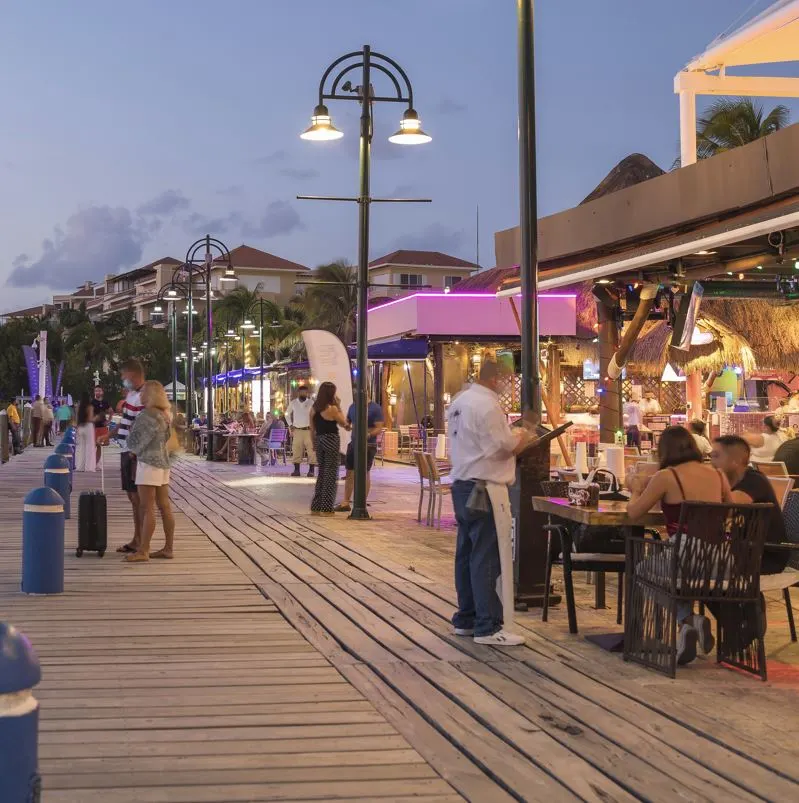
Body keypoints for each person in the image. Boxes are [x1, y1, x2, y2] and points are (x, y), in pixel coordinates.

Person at [627, 426, 733, 665]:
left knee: (643, 572)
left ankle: (688, 620)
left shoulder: (666, 476)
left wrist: (635, 490)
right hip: (720, 558)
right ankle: (689, 623)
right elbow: (732, 509)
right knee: (667, 574)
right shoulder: (717, 474)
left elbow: (634, 513)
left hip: (683, 554)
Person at [448, 361, 535, 646]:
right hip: (484, 487)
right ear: (495, 378)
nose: (507, 384)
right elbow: (503, 446)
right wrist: (526, 434)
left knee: (467, 552)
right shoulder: (487, 406)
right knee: (486, 553)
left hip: (463, 484)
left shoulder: (461, 402)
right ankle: (487, 624)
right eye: (506, 378)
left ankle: (467, 617)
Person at [124, 380, 175, 562]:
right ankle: (168, 548)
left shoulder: (146, 415)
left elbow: (135, 443)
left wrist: (131, 446)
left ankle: (143, 550)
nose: (141, 394)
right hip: (163, 462)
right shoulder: (164, 414)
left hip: (148, 463)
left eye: (144, 391)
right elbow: (167, 437)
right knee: (164, 506)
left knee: (147, 508)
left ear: (151, 394)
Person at [115, 359, 146, 555]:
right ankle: (136, 539)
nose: (123, 380)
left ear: (133, 375)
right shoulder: (131, 395)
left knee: (138, 498)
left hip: (134, 453)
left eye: (124, 377)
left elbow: (142, 426)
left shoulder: (143, 396)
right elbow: (126, 423)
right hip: (125, 449)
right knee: (132, 497)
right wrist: (108, 436)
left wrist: (136, 452)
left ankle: (141, 541)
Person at [334, 399, 385, 513]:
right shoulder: (353, 406)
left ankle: (361, 502)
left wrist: (368, 434)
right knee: (350, 471)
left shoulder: (375, 408)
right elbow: (348, 422)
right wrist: (346, 425)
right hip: (354, 443)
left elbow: (379, 427)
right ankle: (346, 502)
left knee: (364, 472)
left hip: (368, 444)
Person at [309, 382, 349, 516]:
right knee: (331, 474)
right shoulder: (332, 409)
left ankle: (316, 506)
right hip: (331, 440)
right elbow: (344, 423)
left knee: (322, 473)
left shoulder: (314, 409)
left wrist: (314, 443)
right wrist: (339, 406)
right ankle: (326, 508)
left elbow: (312, 429)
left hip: (319, 440)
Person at [288, 386, 316, 478]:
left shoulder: (311, 402)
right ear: (298, 392)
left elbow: (315, 415)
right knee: (296, 449)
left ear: (307, 393)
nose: (303, 394)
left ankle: (311, 470)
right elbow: (287, 414)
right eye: (302, 392)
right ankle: (296, 470)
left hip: (309, 430)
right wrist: (290, 424)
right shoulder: (293, 403)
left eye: (305, 392)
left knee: (311, 450)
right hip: (297, 430)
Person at [74, 394, 97, 472]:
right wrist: (96, 418)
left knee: (81, 448)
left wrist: (77, 428)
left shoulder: (78, 407)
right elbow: (90, 419)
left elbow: (76, 419)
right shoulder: (90, 407)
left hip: (80, 427)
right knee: (90, 447)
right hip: (88, 427)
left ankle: (80, 466)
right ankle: (89, 467)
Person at [92, 386, 111, 462]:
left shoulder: (105, 402)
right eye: (96, 391)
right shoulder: (92, 402)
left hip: (102, 426)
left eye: (99, 390)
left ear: (102, 392)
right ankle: (91, 463)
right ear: (94, 392)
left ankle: (96, 463)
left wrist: (109, 420)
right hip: (93, 426)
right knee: (93, 445)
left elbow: (111, 411)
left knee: (99, 445)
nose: (98, 392)